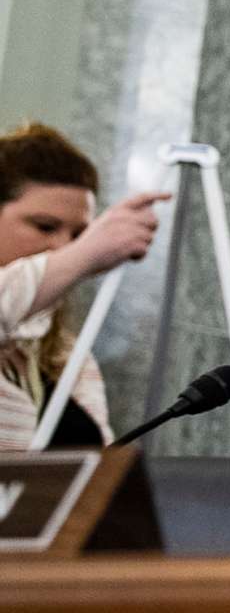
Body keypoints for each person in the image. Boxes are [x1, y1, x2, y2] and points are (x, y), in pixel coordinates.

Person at [0, 124, 164, 450]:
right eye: (45, 226)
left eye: (79, 235)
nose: (63, 246)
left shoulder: (68, 356)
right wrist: (84, 254)